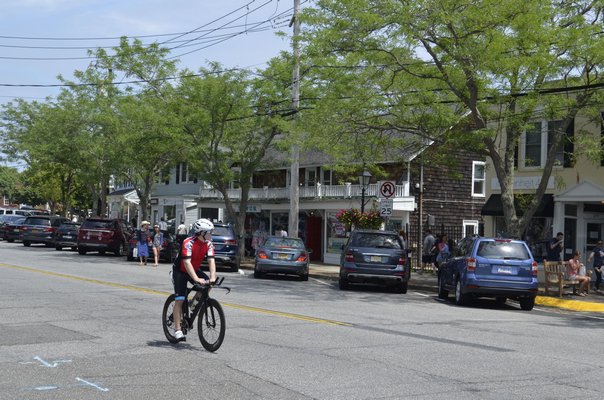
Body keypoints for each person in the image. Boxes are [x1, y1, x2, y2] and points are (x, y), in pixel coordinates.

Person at [172, 218, 217, 342]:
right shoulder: (188, 242)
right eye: (209, 232)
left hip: (194, 268)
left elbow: (211, 261)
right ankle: (177, 329)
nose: (211, 235)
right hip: (180, 271)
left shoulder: (208, 244)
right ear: (201, 233)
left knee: (209, 284)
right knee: (180, 300)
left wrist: (212, 277)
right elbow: (186, 263)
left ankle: (193, 304)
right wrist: (196, 279)